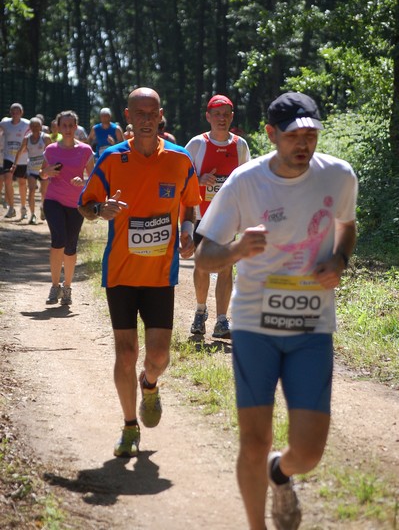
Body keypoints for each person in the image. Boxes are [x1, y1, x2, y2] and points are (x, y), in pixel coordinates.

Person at [195, 92, 358, 530]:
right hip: (254, 325)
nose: (303, 144)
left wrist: (340, 260)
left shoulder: (338, 176)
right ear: (271, 135)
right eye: (293, 137)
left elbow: (347, 226)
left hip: (311, 327)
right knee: (253, 441)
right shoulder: (245, 182)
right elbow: (204, 254)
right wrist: (236, 249)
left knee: (308, 453)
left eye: (311, 135)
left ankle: (279, 472)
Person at [78, 87, 200, 459]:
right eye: (139, 113)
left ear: (160, 115)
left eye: (152, 113)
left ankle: (150, 384)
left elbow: (191, 206)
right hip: (121, 272)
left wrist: (188, 231)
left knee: (158, 356)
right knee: (126, 351)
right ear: (127, 116)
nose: (146, 119)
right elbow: (85, 205)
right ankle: (130, 427)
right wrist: (101, 210)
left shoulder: (180, 160)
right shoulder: (111, 158)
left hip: (161, 274)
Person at [185, 94, 251, 339]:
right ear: (208, 117)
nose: (221, 119)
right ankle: (200, 312)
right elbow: (181, 178)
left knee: (226, 267)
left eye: (226, 114)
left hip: (227, 217)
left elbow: (247, 180)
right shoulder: (196, 145)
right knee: (202, 265)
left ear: (232, 117)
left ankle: (222, 321)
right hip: (202, 214)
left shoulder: (240, 146)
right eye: (217, 114)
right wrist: (199, 179)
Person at [39, 110, 94, 306]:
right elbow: (43, 174)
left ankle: (67, 287)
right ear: (58, 127)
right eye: (65, 126)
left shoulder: (86, 150)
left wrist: (84, 182)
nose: (68, 129)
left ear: (76, 127)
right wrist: (46, 172)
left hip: (75, 204)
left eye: (72, 126)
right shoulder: (51, 149)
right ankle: (55, 287)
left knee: (70, 247)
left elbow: (94, 180)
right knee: (59, 240)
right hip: (53, 200)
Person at [12, 116, 51, 224]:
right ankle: (32, 214)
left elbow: (53, 151)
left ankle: (43, 208)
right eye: (32, 126)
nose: (35, 128)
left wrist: (53, 166)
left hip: (44, 169)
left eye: (37, 126)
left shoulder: (46, 138)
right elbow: (20, 151)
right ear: (29, 127)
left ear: (41, 127)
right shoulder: (27, 139)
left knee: (44, 192)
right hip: (31, 170)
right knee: (32, 190)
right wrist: (14, 164)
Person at [1, 103, 30, 219]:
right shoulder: (5, 123)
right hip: (8, 157)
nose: (15, 113)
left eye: (17, 111)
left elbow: (36, 132)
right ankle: (11, 208)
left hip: (22, 158)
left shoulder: (27, 124)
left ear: (21, 113)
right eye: (13, 111)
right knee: (7, 179)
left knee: (22, 183)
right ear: (10, 112)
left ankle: (23, 207)